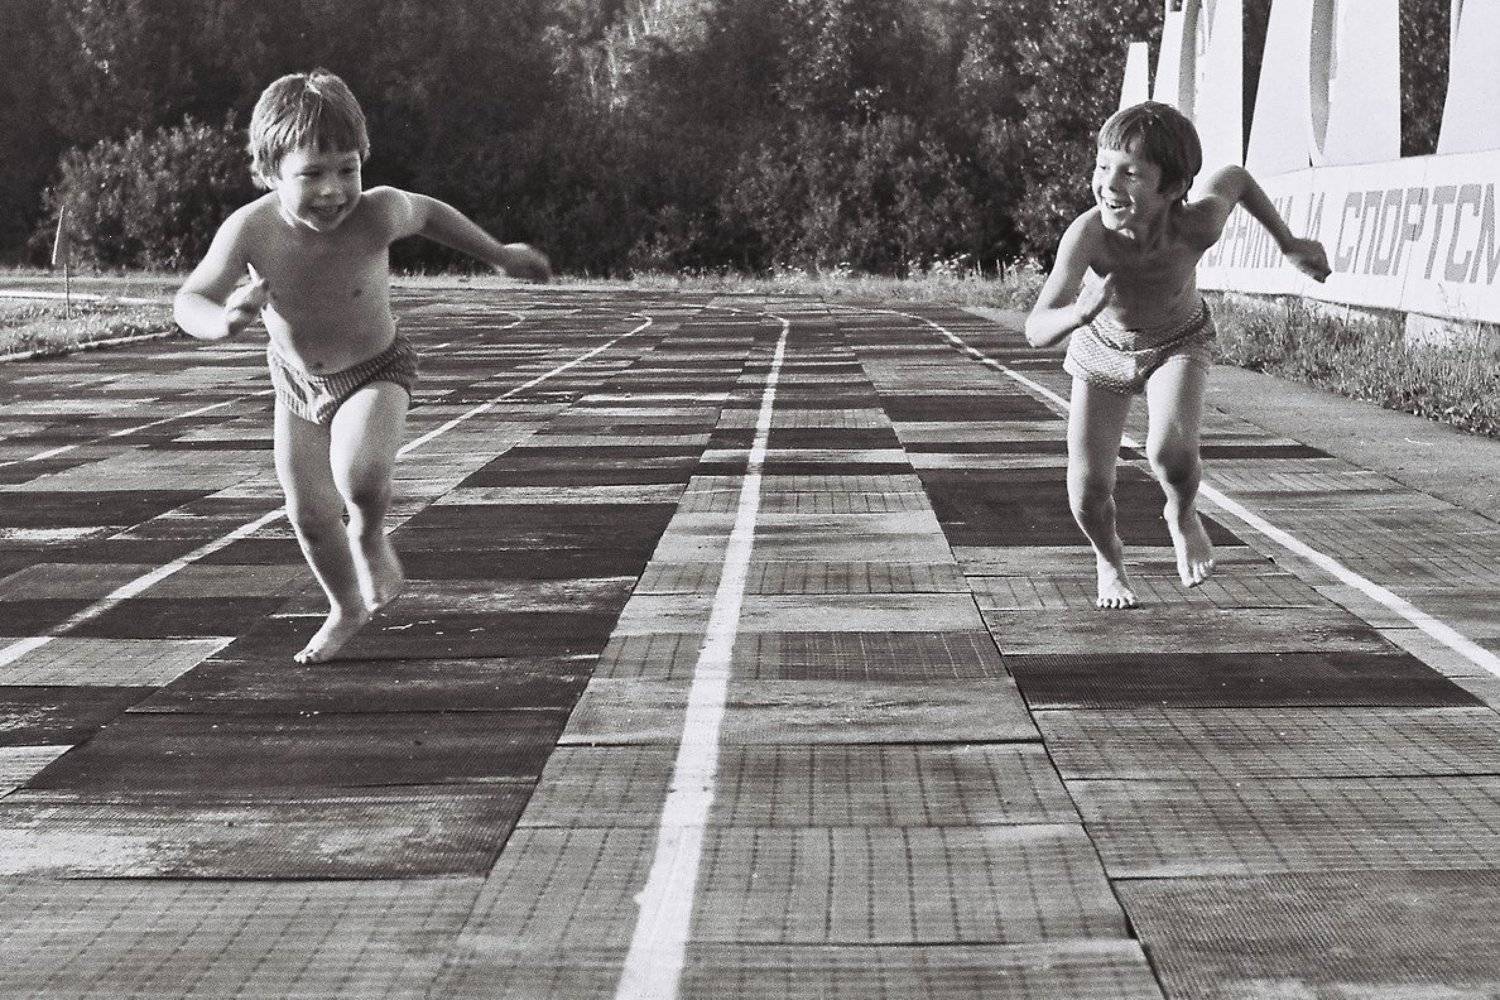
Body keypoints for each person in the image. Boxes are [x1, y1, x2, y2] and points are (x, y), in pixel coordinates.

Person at [174, 69, 551, 661]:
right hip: (297, 383)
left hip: (376, 369)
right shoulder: (250, 230)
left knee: (359, 476)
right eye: (311, 174)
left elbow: (430, 215)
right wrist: (224, 321)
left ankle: (370, 533)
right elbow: (190, 299)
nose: (333, 191)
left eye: (347, 170)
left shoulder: (376, 214)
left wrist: (499, 254)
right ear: (270, 172)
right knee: (308, 515)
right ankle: (345, 607)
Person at [1025, 101, 1330, 609]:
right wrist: (1077, 313)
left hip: (1177, 340)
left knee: (1171, 453)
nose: (1108, 184)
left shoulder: (1199, 225)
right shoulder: (1088, 235)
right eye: (1103, 167)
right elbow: (1036, 329)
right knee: (1087, 491)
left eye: (1130, 174)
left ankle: (1182, 514)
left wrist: (1289, 242)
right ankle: (1109, 558)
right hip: (1101, 347)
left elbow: (1235, 179)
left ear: (1171, 188)